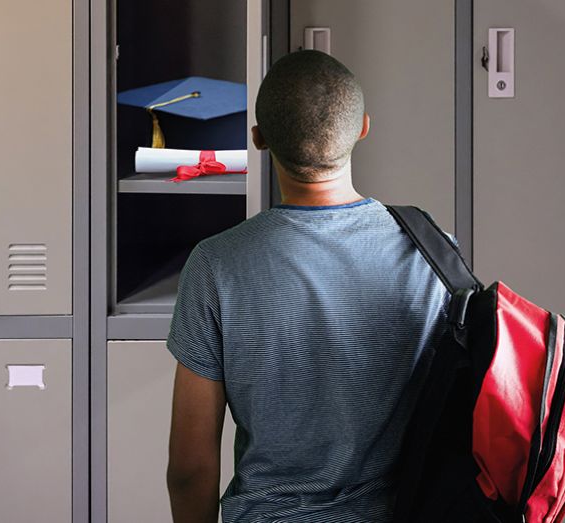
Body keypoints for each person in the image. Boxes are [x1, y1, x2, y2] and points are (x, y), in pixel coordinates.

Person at [166, 50, 452, 522]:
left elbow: (191, 468)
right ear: (362, 128)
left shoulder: (214, 265)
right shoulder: (432, 251)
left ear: (258, 139)